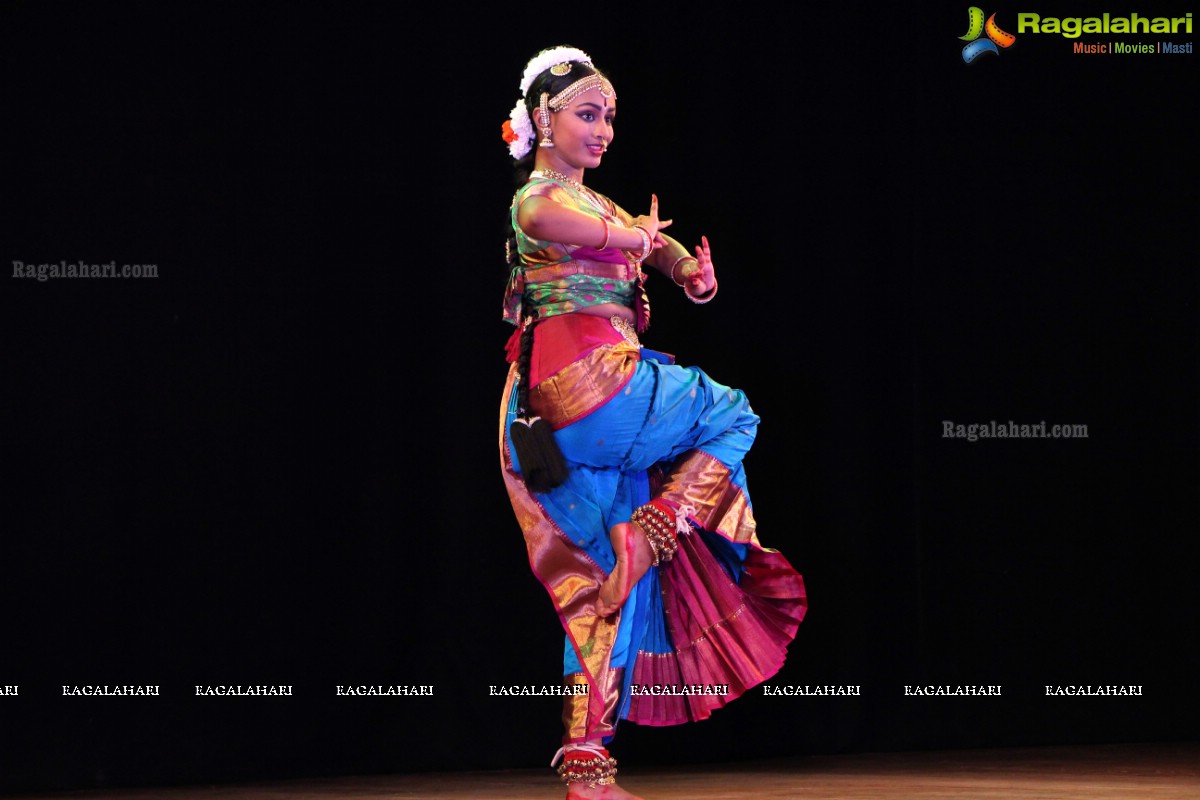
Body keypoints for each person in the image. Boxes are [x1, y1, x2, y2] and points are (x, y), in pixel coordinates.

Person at [498, 46, 807, 800]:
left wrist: (691, 278)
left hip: (575, 422)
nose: (603, 130)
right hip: (588, 388)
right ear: (543, 120)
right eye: (587, 114)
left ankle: (588, 768)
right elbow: (557, 221)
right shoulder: (538, 198)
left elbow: (660, 251)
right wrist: (635, 241)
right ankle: (661, 523)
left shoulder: (602, 206)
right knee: (734, 413)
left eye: (609, 118)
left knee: (607, 593)